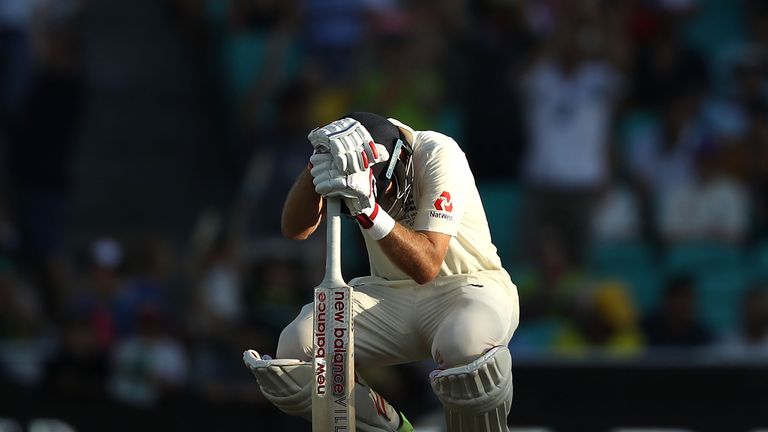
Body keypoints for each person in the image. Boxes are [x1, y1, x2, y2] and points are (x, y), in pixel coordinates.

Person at [243, 112, 519, 431]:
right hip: (389, 295)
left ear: (398, 160)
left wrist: (370, 211)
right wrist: (316, 164)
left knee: (465, 344)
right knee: (299, 347)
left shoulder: (439, 152)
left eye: (387, 191)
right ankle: (394, 429)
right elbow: (295, 229)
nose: (387, 200)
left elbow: (427, 266)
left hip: (468, 288)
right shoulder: (346, 156)